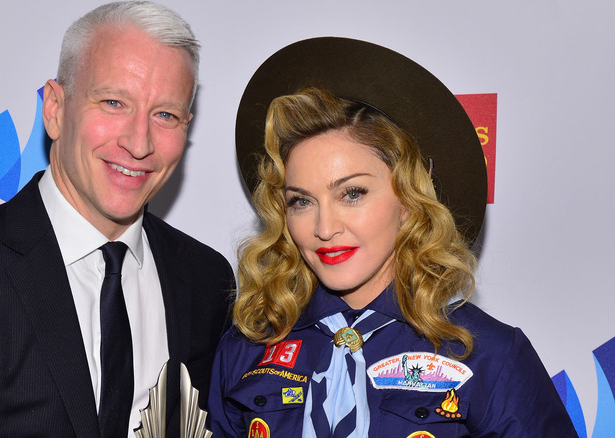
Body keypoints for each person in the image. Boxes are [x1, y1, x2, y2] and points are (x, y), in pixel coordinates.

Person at [0, 2, 234, 437]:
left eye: (165, 114)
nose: (138, 142)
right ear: (54, 108)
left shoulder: (207, 281)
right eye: (114, 102)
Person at [209, 38, 577, 437]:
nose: (324, 227)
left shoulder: (491, 356)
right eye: (301, 201)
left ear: (408, 199)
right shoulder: (246, 348)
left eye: (352, 193)